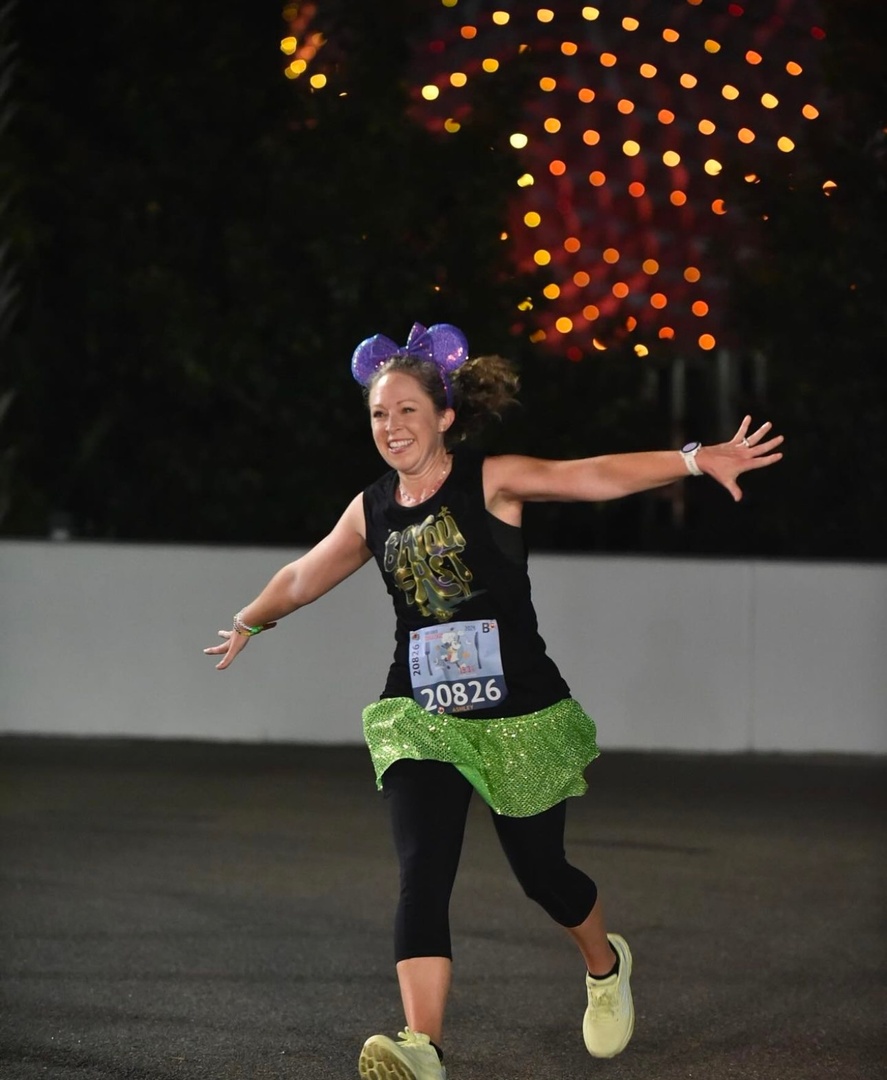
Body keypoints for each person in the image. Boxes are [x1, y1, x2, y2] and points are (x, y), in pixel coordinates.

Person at [204, 322, 784, 1080]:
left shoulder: (492, 480)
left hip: (520, 716)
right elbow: (303, 575)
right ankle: (422, 1045)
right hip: (422, 715)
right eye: (379, 414)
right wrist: (252, 618)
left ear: (444, 416)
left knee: (543, 875)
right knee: (422, 870)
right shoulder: (372, 508)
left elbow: (594, 476)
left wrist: (691, 459)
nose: (391, 427)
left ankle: (605, 967)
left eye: (407, 411)